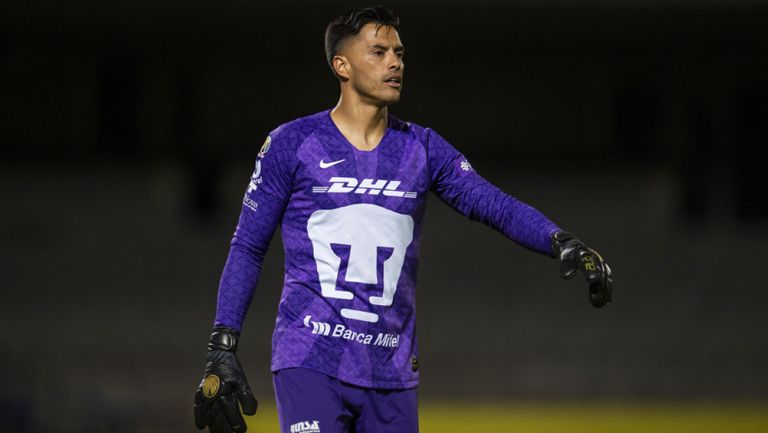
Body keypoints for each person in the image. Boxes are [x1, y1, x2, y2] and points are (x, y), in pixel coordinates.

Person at [193, 5, 612, 433]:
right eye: (378, 52)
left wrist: (560, 240)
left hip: (391, 369)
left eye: (399, 52)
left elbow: (494, 205)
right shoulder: (291, 143)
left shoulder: (422, 148)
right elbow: (247, 245)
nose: (395, 61)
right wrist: (221, 346)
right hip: (309, 358)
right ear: (341, 65)